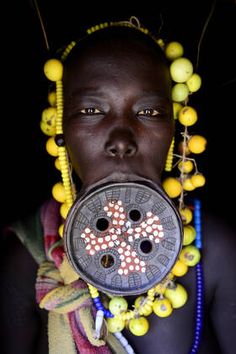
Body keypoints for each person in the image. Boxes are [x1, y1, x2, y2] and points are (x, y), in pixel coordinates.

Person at [1, 17, 236, 354]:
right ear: (61, 131)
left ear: (174, 132)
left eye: (150, 111)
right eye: (91, 109)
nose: (122, 140)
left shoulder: (218, 253)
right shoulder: (26, 262)